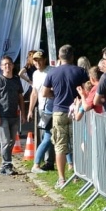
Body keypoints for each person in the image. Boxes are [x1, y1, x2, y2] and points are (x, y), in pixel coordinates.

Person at [40, 44, 89, 189]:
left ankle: (61, 178)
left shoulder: (52, 73)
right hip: (76, 110)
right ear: (72, 57)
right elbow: (85, 91)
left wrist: (55, 96)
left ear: (59, 57)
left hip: (59, 111)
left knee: (60, 146)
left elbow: (44, 93)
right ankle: (78, 175)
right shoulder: (80, 71)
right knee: (77, 143)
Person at [0, 56, 26, 175]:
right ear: (1, 67)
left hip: (14, 115)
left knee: (11, 141)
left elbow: (20, 97)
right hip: (2, 116)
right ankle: (7, 165)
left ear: (12, 66)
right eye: (5, 64)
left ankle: (4, 165)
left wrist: (23, 113)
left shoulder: (16, 80)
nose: (7, 66)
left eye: (9, 64)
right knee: (5, 141)